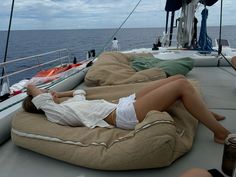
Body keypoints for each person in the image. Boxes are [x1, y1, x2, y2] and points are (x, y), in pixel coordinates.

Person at [23, 75, 230, 144]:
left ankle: (203, 112)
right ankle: (220, 134)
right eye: (44, 94)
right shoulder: (53, 112)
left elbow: (80, 94)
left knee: (179, 79)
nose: (48, 93)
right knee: (182, 87)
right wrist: (41, 92)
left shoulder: (63, 106)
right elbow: (30, 87)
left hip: (124, 103)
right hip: (123, 116)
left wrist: (62, 95)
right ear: (39, 101)